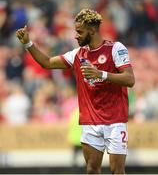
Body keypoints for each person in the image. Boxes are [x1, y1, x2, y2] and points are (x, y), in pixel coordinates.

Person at [16, 9, 135, 174]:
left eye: (79, 31)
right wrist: (28, 44)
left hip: (115, 122)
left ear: (92, 30)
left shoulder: (115, 48)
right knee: (92, 170)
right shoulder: (77, 55)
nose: (75, 35)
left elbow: (130, 79)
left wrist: (100, 74)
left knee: (117, 172)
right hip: (90, 123)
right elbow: (47, 62)